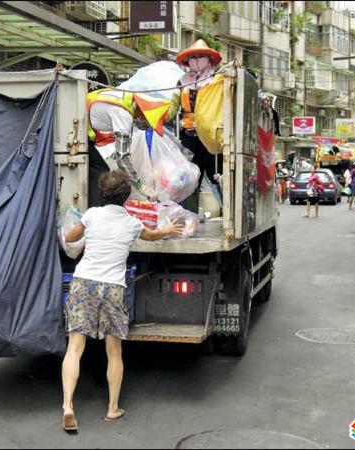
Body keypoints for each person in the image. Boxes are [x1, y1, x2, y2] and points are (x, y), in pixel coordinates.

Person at [61, 171, 183, 432]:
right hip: (113, 287)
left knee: (74, 347)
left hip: (85, 282)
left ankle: (68, 405)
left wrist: (76, 228)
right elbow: (152, 236)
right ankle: (112, 408)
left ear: (102, 193)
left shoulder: (91, 215)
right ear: (126, 197)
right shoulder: (132, 223)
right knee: (114, 351)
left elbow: (70, 238)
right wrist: (167, 229)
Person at [87, 88, 171, 204]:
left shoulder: (126, 99)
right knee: (99, 173)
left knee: (100, 170)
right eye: (148, 122)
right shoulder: (124, 114)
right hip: (76, 131)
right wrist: (142, 187)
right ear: (143, 115)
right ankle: (97, 212)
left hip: (81, 129)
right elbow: (122, 158)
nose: (146, 126)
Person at [176, 39, 222, 212]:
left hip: (211, 136)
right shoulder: (182, 81)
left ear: (209, 59)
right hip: (188, 137)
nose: (196, 60)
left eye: (201, 56)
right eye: (193, 57)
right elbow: (173, 105)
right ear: (188, 61)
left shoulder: (217, 78)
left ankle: (229, 215)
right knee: (189, 179)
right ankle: (189, 217)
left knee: (217, 176)